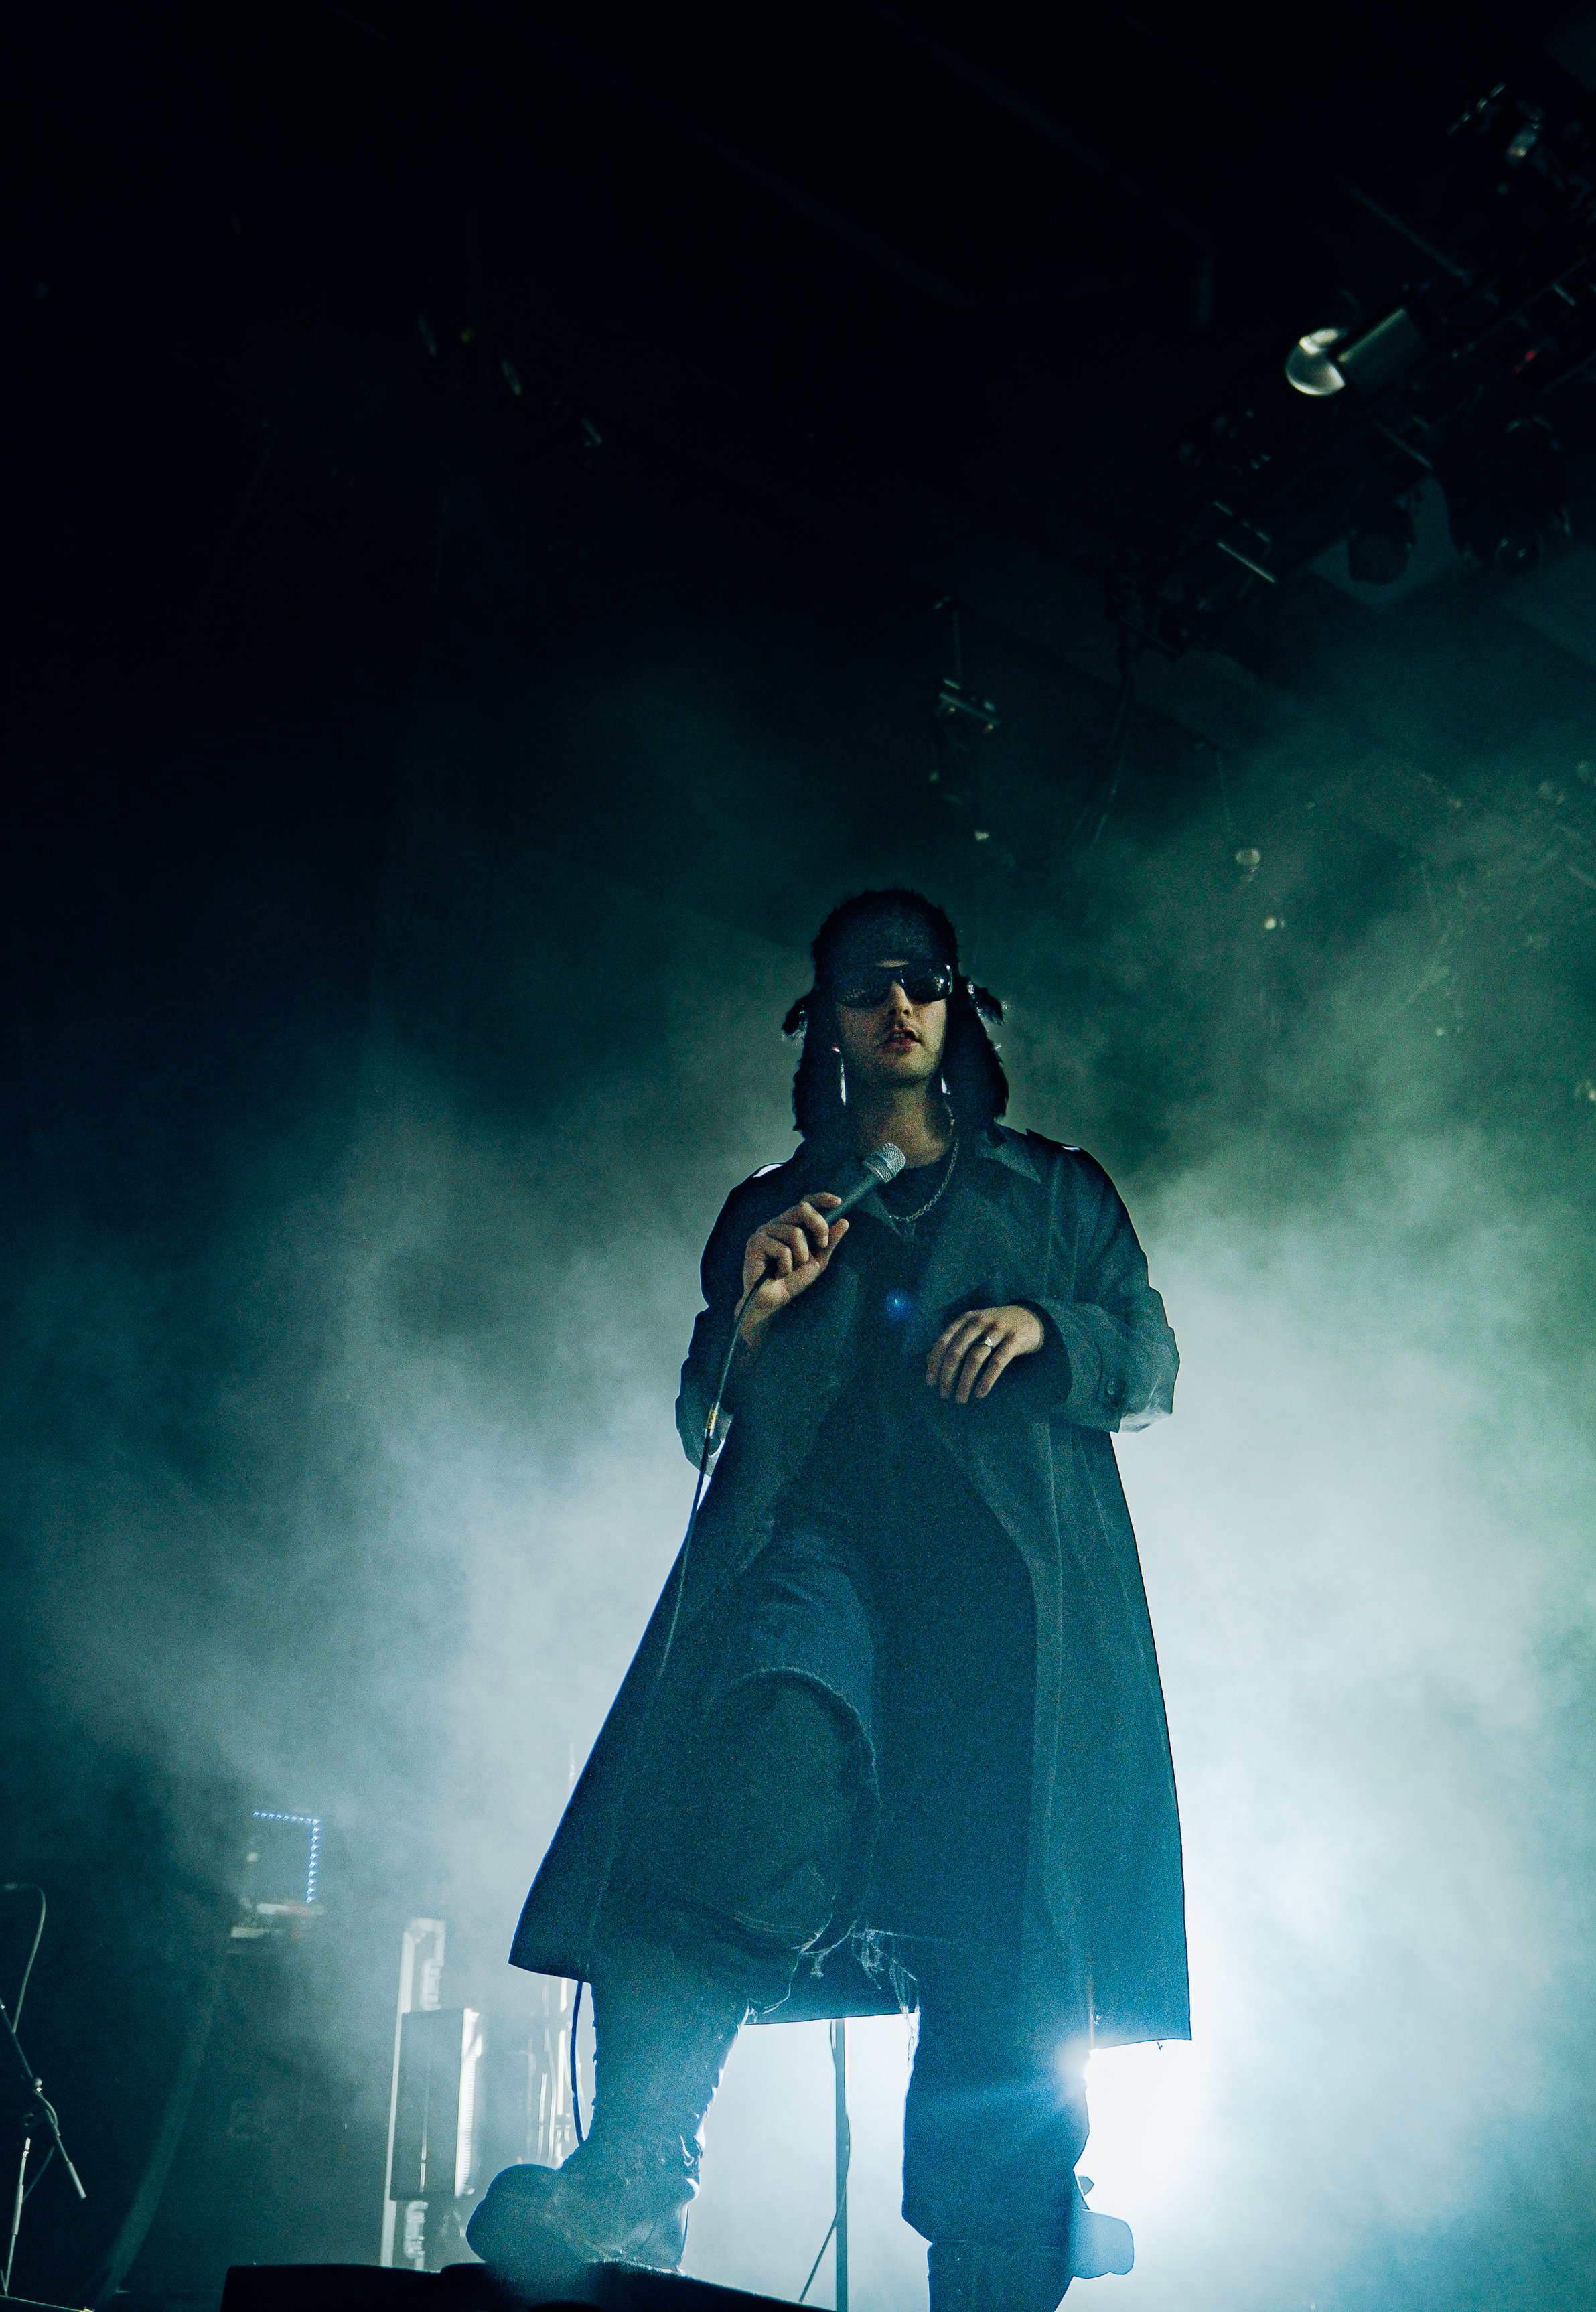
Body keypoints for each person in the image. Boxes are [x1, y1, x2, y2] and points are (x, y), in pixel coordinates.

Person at [468, 889, 1186, 2311]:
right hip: (821, 1559)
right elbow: (703, 1416)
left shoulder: (1054, 1195)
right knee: (741, 1779)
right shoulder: (769, 1209)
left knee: (1001, 1911)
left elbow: (1149, 1360)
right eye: (866, 986)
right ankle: (633, 2174)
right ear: (827, 1022)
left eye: (922, 981)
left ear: (958, 1005)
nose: (896, 1005)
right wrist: (748, 1322)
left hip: (1003, 1599)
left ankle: (998, 2245)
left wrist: (1048, 1326)